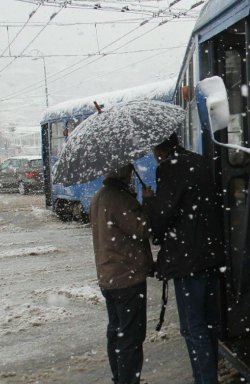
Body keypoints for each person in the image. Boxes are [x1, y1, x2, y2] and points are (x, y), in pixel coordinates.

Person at [143, 133, 224, 384]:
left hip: (187, 262)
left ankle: (205, 379)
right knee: (209, 323)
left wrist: (150, 202)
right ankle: (210, 375)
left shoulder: (169, 169)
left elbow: (163, 217)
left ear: (159, 148)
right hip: (211, 256)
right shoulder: (199, 162)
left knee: (192, 327)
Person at [90, 163, 153, 384]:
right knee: (131, 337)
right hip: (127, 278)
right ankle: (128, 380)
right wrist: (148, 202)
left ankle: (119, 378)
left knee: (116, 333)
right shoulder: (119, 198)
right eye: (128, 169)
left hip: (109, 277)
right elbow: (144, 229)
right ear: (124, 172)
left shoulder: (100, 196)